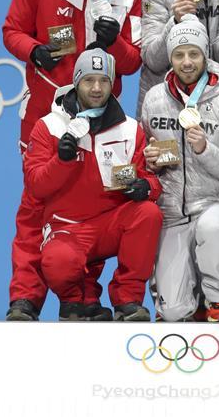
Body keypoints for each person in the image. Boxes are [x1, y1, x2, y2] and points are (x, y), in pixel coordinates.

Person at [2, 0, 143, 321]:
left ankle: (79, 298)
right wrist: (35, 51)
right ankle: (25, 297)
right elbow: (11, 31)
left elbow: (133, 61)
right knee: (35, 205)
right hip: (47, 113)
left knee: (94, 207)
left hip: (100, 121)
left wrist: (114, 41)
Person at [24, 49, 163, 322]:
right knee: (59, 262)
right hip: (68, 226)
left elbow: (150, 178)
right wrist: (61, 161)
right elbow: (36, 186)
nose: (97, 88)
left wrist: (146, 187)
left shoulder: (130, 129)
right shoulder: (49, 126)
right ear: (76, 82)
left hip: (110, 223)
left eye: (104, 80)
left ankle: (128, 300)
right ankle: (76, 302)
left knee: (148, 213)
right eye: (89, 80)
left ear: (113, 84)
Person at [140, 15, 219, 323]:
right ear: (170, 58)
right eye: (179, 54)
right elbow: (142, 154)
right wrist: (148, 161)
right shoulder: (153, 99)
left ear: (205, 55)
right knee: (173, 311)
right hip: (173, 211)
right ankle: (190, 303)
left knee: (211, 228)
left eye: (194, 54)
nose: (186, 62)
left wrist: (204, 149)